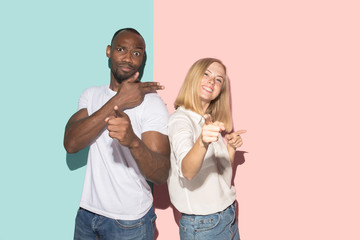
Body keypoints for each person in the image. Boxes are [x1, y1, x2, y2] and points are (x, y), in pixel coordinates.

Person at [64, 28, 170, 240]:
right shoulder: (91, 94)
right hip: (87, 214)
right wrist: (118, 101)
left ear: (143, 59)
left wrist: (133, 142)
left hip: (130, 221)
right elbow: (71, 143)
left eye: (136, 53)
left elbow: (161, 174)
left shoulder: (152, 103)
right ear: (108, 51)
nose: (128, 58)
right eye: (121, 49)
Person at [167, 58, 246, 240]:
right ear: (193, 78)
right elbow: (187, 171)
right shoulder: (180, 120)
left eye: (219, 79)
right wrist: (202, 142)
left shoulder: (207, 120)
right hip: (205, 225)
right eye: (206, 74)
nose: (212, 81)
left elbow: (221, 176)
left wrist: (231, 148)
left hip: (228, 214)